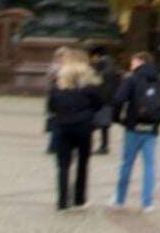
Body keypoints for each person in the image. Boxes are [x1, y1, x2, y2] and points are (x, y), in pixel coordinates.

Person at [110, 52, 160, 213]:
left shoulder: (131, 79)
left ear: (140, 62)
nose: (131, 64)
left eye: (133, 61)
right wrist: (157, 121)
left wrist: (119, 119)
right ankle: (147, 202)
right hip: (151, 128)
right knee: (150, 165)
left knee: (127, 164)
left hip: (133, 127)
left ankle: (120, 198)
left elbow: (118, 100)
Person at [47, 48, 104, 211]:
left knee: (63, 165)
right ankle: (79, 198)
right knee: (82, 163)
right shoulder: (90, 88)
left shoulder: (57, 88)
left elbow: (51, 106)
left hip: (63, 126)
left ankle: (62, 200)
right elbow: (99, 104)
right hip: (84, 127)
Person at [89, 46, 122, 155]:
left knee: (95, 124)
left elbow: (98, 83)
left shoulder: (102, 66)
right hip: (109, 99)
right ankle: (104, 146)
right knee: (103, 125)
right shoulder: (112, 65)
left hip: (102, 99)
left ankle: (102, 146)